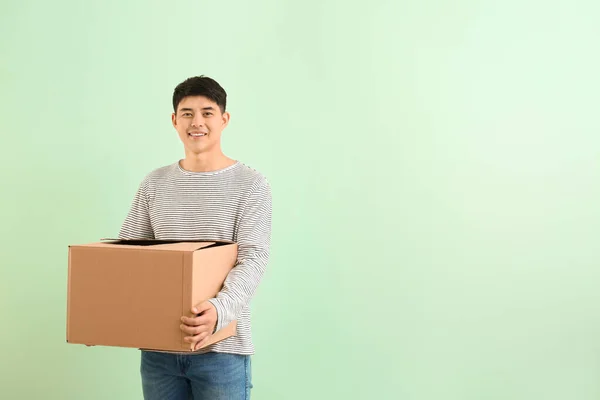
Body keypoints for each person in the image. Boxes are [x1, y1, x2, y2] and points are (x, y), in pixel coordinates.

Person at [118, 75, 272, 399]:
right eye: (187, 113)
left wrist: (217, 310)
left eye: (207, 112)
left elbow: (253, 259)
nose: (196, 122)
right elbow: (126, 257)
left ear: (224, 119)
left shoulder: (251, 185)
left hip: (222, 351)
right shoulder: (154, 184)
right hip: (159, 351)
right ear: (174, 121)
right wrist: (105, 312)